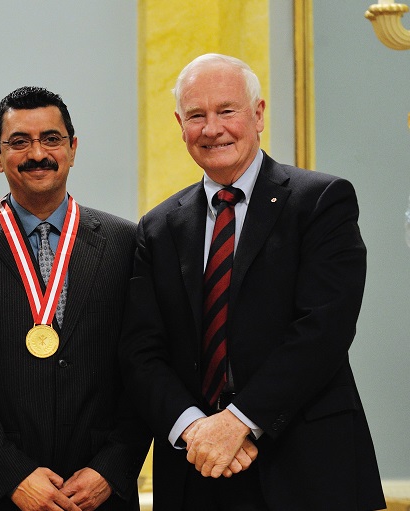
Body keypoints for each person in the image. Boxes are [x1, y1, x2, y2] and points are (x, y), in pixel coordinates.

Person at [119, 53, 385, 510]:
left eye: (227, 110)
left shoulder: (321, 200)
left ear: (258, 114)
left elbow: (324, 329)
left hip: (306, 466)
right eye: (196, 116)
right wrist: (194, 428)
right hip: (196, 468)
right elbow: (141, 350)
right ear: (180, 125)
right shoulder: (158, 227)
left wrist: (237, 422)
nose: (212, 128)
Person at [0, 86, 151, 511]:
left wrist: (112, 468)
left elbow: (143, 364)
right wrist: (11, 474)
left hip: (97, 492)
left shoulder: (126, 244)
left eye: (51, 139)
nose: (37, 153)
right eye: (19, 142)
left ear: (72, 148)